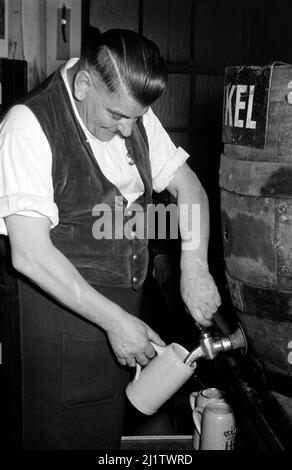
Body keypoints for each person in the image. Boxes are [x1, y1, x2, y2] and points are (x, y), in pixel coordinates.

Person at [0, 28, 221, 450]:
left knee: (102, 435)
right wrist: (116, 322)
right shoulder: (26, 126)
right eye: (118, 116)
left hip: (120, 310)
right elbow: (29, 254)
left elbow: (189, 189)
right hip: (60, 316)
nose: (127, 130)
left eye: (135, 118)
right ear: (83, 84)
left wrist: (194, 268)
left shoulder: (128, 106)